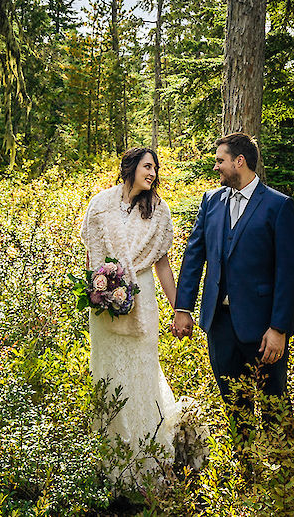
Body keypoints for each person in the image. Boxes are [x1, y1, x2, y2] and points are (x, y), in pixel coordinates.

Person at [79, 146, 205, 485]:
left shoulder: (159, 211)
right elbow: (91, 254)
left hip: (143, 296)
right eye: (147, 166)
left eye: (155, 168)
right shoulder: (101, 203)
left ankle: (147, 461)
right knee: (107, 376)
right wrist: (98, 288)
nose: (152, 173)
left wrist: (181, 309)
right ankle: (112, 463)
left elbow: (162, 264)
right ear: (131, 167)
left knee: (142, 374)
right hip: (105, 301)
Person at [171, 133, 294, 449]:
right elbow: (194, 254)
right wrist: (183, 308)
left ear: (239, 161)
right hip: (220, 323)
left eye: (220, 160)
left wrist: (278, 329)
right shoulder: (211, 201)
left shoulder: (278, 206)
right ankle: (245, 472)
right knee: (234, 406)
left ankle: (285, 477)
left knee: (274, 404)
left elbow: (289, 273)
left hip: (262, 329)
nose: (216, 167)